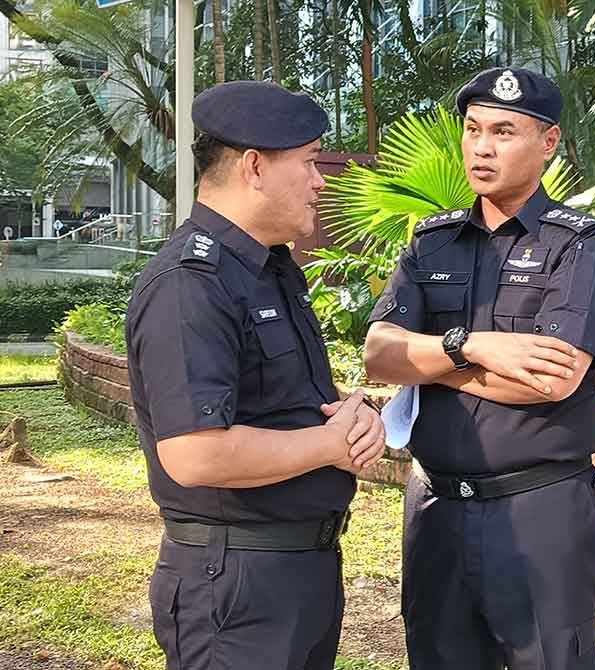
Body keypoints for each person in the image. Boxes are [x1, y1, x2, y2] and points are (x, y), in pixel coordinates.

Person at [125, 81, 385, 670]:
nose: (320, 181)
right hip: (236, 587)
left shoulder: (270, 271)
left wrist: (353, 415)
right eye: (309, 162)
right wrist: (332, 444)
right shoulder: (191, 284)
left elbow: (287, 405)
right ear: (254, 168)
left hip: (299, 572)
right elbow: (195, 454)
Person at [364, 67, 595, 669]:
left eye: (503, 132)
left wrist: (427, 361)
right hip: (436, 509)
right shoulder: (432, 242)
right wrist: (473, 347)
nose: (481, 147)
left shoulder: (576, 245)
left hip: (539, 511)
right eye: (473, 129)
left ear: (548, 143)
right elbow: (379, 354)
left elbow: (551, 378)